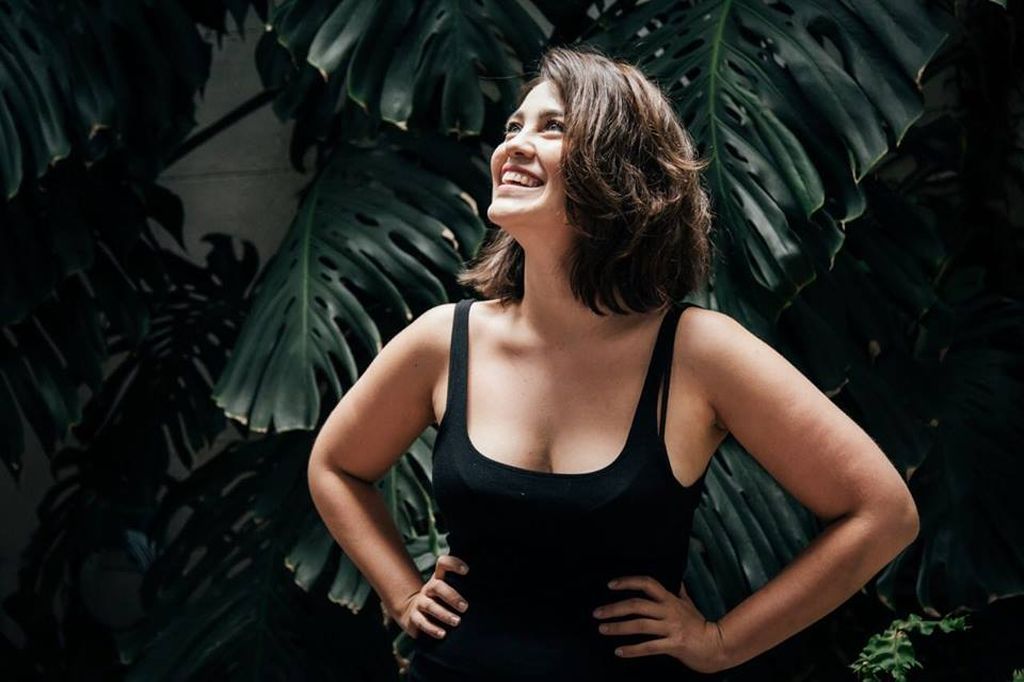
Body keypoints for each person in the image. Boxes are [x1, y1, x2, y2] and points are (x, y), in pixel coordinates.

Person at [307, 45, 920, 682]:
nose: (514, 145)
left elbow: (881, 513)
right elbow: (336, 466)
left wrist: (721, 643)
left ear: (617, 167)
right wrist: (401, 592)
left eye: (552, 127)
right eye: (514, 126)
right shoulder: (444, 339)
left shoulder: (698, 353)